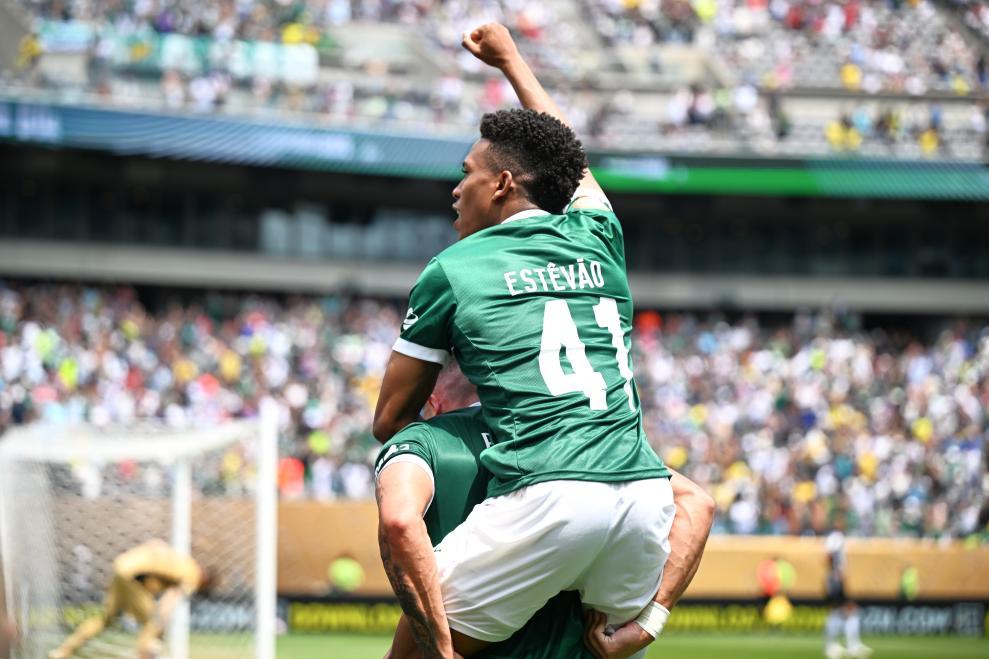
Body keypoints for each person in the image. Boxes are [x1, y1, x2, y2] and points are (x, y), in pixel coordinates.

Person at [375, 25, 677, 652]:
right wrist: (512, 60)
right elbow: (572, 163)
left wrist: (443, 439)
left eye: (466, 174)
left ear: (503, 184)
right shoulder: (600, 235)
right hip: (644, 502)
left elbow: (390, 420)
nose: (456, 188)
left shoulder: (454, 269)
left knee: (419, 644)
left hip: (551, 496)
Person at [376, 365, 714, 659]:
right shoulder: (571, 437)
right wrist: (648, 624)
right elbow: (698, 503)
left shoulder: (424, 440)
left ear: (433, 402)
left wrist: (434, 648)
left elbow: (400, 521)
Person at [49, 539, 207, 659]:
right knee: (153, 621)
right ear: (204, 582)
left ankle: (62, 652)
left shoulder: (182, 560)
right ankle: (145, 654)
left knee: (106, 619)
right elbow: (169, 601)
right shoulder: (192, 577)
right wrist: (160, 625)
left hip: (121, 566)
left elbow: (154, 543)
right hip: (132, 576)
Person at [823, 524, 872, 659]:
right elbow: (830, 556)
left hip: (835, 579)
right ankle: (849, 646)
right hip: (835, 579)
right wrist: (836, 573)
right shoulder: (835, 537)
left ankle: (835, 645)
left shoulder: (836, 537)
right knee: (848, 610)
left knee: (838, 611)